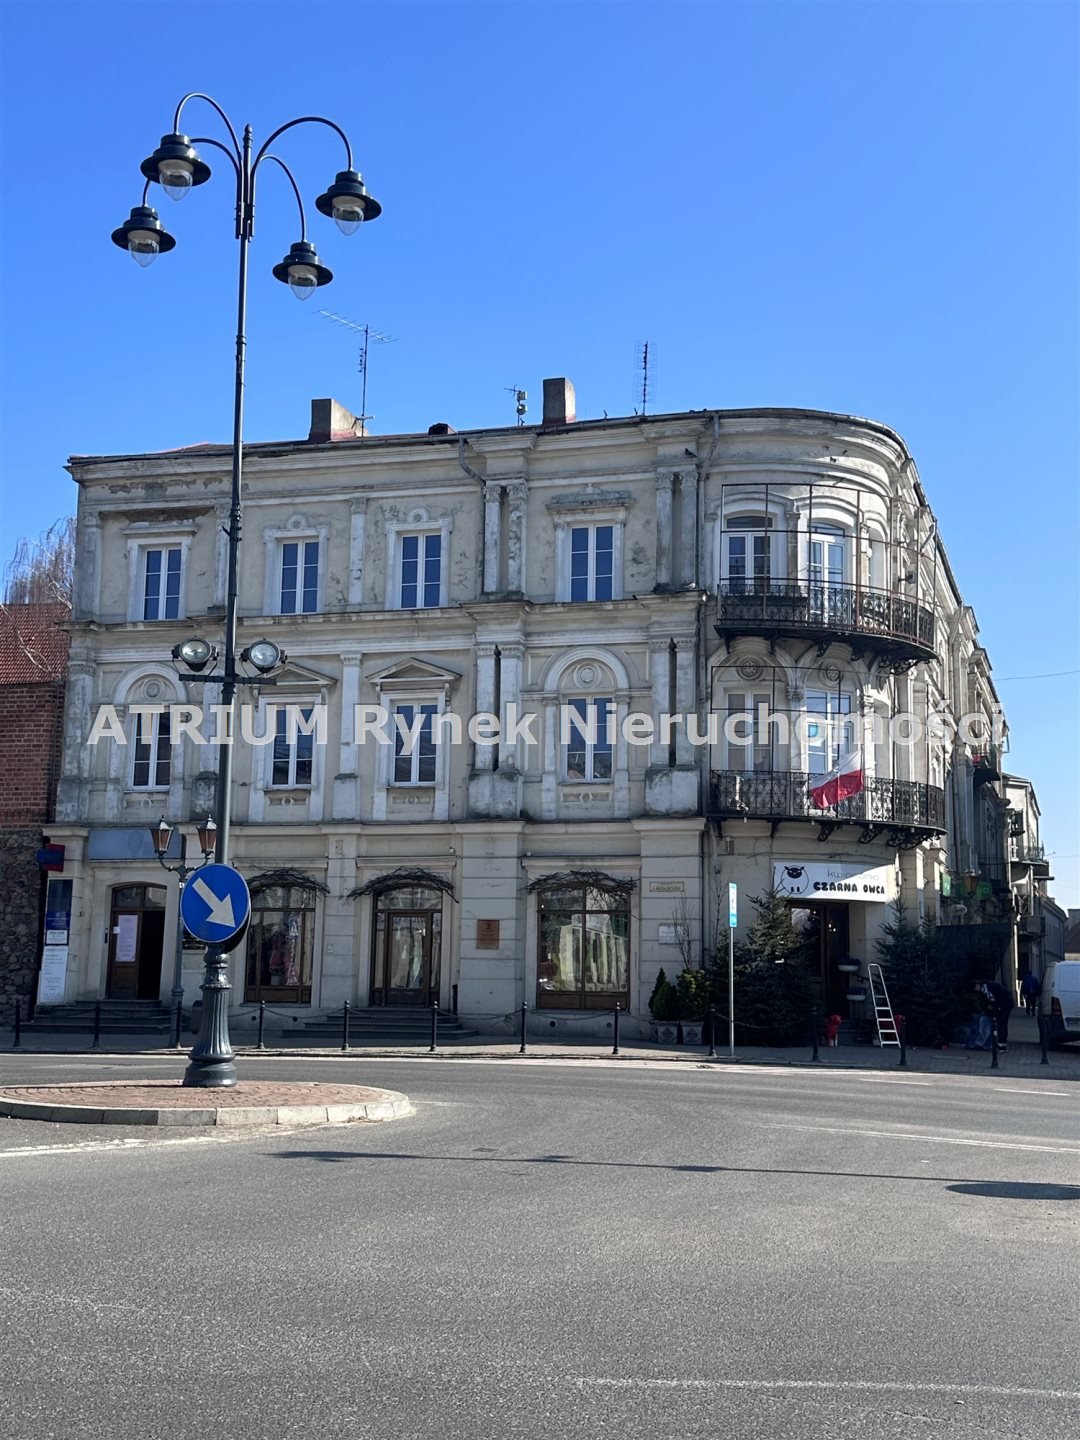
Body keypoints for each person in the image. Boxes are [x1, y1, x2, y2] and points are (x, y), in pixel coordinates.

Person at [976, 979, 1015, 1051]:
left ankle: (1001, 1044)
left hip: (1004, 1004)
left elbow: (993, 999)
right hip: (1007, 1003)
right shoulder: (990, 985)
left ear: (978, 985)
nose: (976, 989)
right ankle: (1003, 1044)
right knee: (1003, 1024)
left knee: (1001, 1024)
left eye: (975, 987)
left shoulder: (986, 987)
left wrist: (995, 1009)